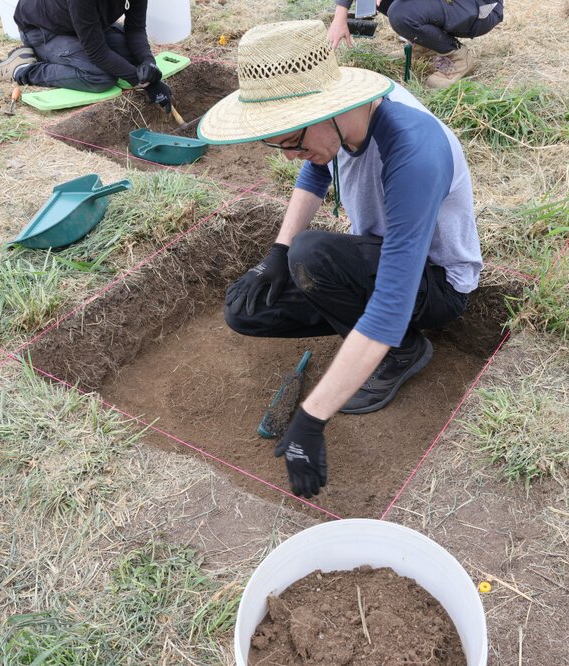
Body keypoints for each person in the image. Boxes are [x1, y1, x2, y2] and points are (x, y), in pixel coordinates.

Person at [196, 20, 481, 498]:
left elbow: (393, 300)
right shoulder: (339, 125)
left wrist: (311, 417)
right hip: (371, 263)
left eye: (290, 141)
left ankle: (404, 351)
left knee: (315, 255)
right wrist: (276, 253)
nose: (289, 156)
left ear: (323, 110)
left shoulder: (414, 150)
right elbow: (314, 171)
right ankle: (354, 326)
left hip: (433, 284)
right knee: (247, 309)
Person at [0, 0, 172, 110]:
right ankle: (23, 68)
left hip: (81, 24)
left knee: (134, 60)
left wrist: (149, 64)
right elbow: (98, 53)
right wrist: (143, 83)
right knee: (99, 77)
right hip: (43, 29)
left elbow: (136, 29)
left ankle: (70, 54)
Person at [328, 0, 504, 88]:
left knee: (401, 13)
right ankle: (427, 44)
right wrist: (340, 17)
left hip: (478, 7)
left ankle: (457, 57)